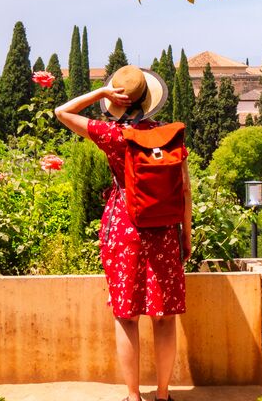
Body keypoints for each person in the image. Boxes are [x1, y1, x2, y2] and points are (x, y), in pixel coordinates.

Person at [55, 64, 191, 401]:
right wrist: (185, 234)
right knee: (163, 317)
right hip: (163, 230)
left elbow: (62, 111)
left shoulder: (112, 136)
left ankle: (133, 397)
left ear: (117, 101)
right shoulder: (170, 135)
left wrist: (101, 93)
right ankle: (163, 395)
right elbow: (186, 190)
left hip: (123, 228)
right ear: (149, 100)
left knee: (127, 316)